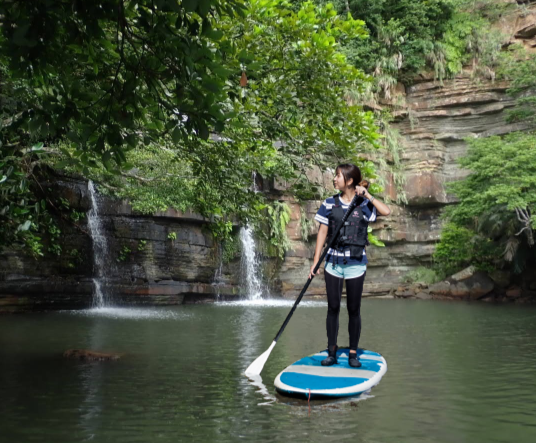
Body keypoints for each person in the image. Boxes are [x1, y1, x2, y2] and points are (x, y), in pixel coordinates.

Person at [309, 163, 390, 367]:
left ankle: (353, 353)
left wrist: (367, 196)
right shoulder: (329, 203)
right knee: (333, 307)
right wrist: (316, 260)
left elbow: (386, 211)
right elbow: (322, 232)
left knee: (354, 309)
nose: (334, 179)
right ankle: (332, 351)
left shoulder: (363, 205)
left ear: (350, 180)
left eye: (337, 176)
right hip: (333, 262)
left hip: (355, 263)